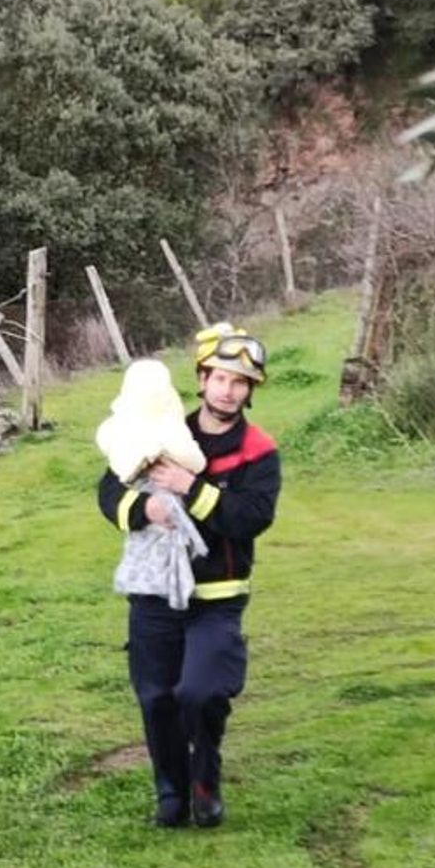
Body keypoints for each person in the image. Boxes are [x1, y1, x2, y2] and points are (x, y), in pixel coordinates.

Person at [96, 323, 282, 829]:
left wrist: (190, 487)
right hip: (154, 593)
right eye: (219, 378)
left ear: (250, 390)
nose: (228, 390)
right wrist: (144, 509)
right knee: (156, 697)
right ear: (201, 380)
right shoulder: (162, 429)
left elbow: (251, 517)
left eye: (239, 382)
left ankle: (205, 775)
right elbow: (108, 492)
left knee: (201, 692)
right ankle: (172, 794)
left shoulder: (259, 451)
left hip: (217, 596)